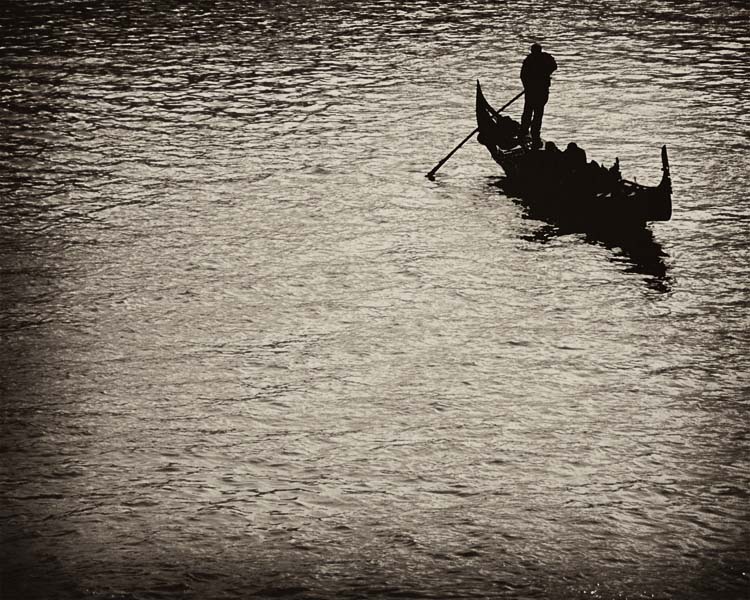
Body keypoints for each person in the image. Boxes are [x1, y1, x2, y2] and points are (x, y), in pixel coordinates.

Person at [520, 43, 557, 147]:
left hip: (536, 92)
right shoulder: (540, 59)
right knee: (535, 113)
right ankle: (531, 133)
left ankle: (528, 132)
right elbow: (523, 76)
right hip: (537, 91)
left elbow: (554, 66)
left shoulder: (532, 60)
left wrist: (545, 74)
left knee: (531, 112)